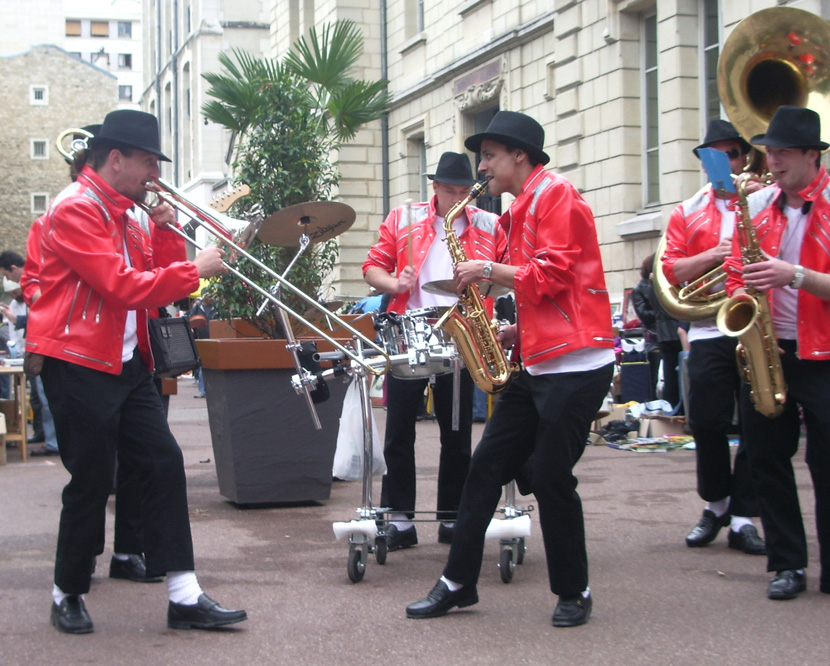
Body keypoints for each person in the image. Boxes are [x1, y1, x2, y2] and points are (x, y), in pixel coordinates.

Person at [24, 109, 246, 634]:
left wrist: (170, 232)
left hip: (125, 362)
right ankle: (68, 590)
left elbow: (150, 275)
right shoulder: (75, 208)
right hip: (77, 363)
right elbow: (122, 286)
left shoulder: (127, 213)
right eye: (149, 161)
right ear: (116, 158)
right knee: (93, 479)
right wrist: (196, 269)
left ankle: (184, 594)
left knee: (164, 463)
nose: (155, 172)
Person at [405, 111, 615, 627]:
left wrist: (485, 270)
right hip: (540, 359)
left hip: (578, 363)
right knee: (484, 469)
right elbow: (546, 294)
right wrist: (515, 332)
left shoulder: (557, 194)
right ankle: (458, 583)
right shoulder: (521, 206)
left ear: (519, 155)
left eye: (490, 155)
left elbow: (555, 275)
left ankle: (574, 591)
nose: (482, 166)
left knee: (549, 475)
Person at [363, 151, 502, 550]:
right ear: (435, 188)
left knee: (456, 432)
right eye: (451, 190)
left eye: (465, 191)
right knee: (399, 430)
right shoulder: (403, 218)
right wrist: (395, 284)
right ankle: (400, 519)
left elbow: (508, 274)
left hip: (463, 333)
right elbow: (372, 267)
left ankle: (453, 516)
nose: (460, 198)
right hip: (409, 331)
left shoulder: (490, 225)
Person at [724, 105, 830, 600]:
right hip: (767, 347)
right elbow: (733, 268)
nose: (774, 160)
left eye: (784, 151)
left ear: (812, 154)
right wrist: (739, 294)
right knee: (766, 458)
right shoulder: (758, 203)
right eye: (770, 151)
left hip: (824, 353)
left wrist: (795, 275)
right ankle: (787, 564)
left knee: (827, 462)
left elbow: (799, 277)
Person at [660, 119, 766, 556]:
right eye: (714, 155)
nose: (726, 163)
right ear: (705, 163)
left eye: (734, 154)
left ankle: (743, 515)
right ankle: (716, 503)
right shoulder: (687, 211)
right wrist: (715, 255)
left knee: (759, 424)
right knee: (706, 421)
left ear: (745, 158)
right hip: (707, 327)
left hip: (758, 324)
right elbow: (670, 272)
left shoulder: (764, 201)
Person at [0, 276, 60, 456]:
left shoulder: (37, 296)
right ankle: (42, 433)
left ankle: (53, 442)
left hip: (42, 352)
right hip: (27, 354)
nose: (15, 295)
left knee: (46, 399)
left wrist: (16, 319)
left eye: (16, 291)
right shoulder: (17, 303)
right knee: (36, 399)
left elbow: (38, 319)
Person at [630, 254, 661, 401]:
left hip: (664, 331)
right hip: (653, 336)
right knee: (655, 375)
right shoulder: (639, 289)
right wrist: (661, 312)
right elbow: (643, 314)